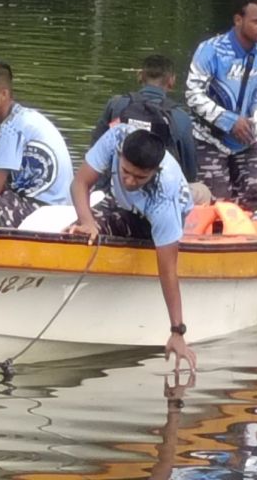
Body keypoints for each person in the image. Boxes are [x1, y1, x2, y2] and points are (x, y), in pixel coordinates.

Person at [69, 125, 197, 370]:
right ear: (120, 154)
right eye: (125, 171)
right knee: (78, 227)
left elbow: (168, 270)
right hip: (119, 202)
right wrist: (87, 222)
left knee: (104, 227)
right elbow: (79, 183)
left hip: (148, 220)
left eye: (139, 177)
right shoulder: (117, 138)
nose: (129, 180)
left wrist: (177, 331)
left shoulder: (164, 197)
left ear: (154, 171)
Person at [0, 60, 75, 227]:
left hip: (39, 207)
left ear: (4, 94)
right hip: (56, 204)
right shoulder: (24, 118)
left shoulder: (12, 126)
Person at [184, 0, 257, 210]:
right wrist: (229, 121)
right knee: (217, 203)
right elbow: (192, 94)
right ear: (238, 20)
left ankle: (254, 240)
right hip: (208, 139)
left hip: (246, 140)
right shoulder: (211, 50)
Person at [91, 54, 199, 183]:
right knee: (202, 191)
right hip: (158, 190)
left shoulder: (116, 105)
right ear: (171, 81)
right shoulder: (180, 117)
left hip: (114, 185)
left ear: (139, 76)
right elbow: (190, 172)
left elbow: (95, 151)